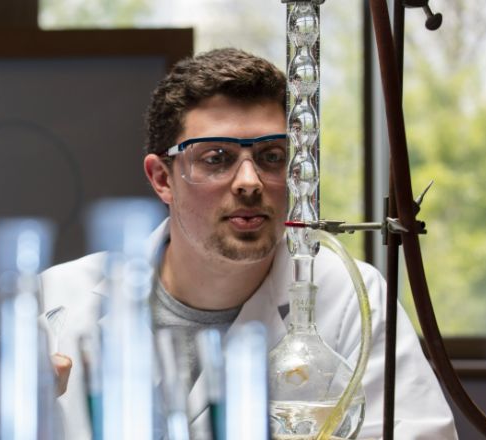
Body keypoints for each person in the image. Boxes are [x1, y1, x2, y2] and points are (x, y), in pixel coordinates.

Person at [40, 48, 457, 439]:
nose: (250, 182)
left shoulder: (351, 299)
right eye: (216, 158)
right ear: (162, 178)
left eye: (272, 156)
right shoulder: (57, 299)